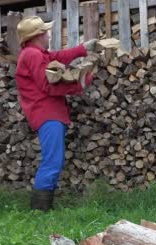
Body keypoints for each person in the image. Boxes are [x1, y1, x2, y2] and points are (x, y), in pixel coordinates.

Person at [15, 16, 97, 211]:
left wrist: (83, 49)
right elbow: (47, 88)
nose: (48, 35)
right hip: (46, 114)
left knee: (53, 159)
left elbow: (57, 57)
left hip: (49, 113)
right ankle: (39, 210)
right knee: (53, 160)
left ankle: (41, 208)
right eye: (45, 32)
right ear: (37, 36)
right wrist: (79, 85)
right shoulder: (32, 55)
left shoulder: (35, 53)